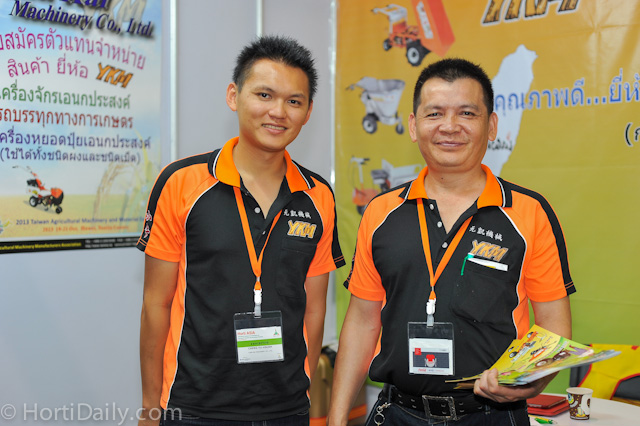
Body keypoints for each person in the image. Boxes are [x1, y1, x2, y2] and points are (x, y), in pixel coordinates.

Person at [327, 58, 574, 425]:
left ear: (491, 125)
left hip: (492, 415)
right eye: (435, 113)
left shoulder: (529, 212)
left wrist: (530, 384)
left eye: (467, 113)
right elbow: (363, 322)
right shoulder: (380, 212)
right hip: (398, 414)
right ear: (414, 126)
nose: (450, 126)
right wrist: (335, 419)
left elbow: (553, 327)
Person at [137, 35, 345, 426]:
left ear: (308, 111)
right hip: (193, 404)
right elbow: (155, 304)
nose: (278, 112)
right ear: (234, 96)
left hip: (286, 408)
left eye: (294, 101)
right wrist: (151, 407)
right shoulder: (181, 182)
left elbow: (315, 308)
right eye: (264, 95)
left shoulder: (318, 195)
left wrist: (302, 391)